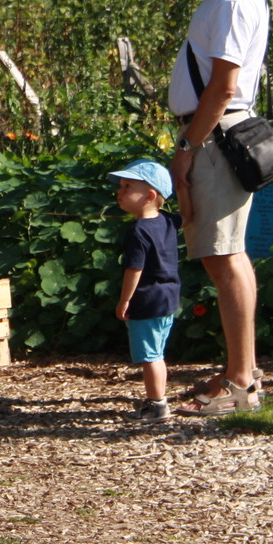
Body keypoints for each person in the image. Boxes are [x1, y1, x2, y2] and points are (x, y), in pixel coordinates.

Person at [168, 0, 269, 415]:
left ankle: (238, 385)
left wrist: (188, 145)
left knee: (222, 255)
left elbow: (224, 84)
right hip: (218, 131)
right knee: (230, 254)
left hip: (214, 133)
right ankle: (242, 375)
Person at [110, 158, 181, 423]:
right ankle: (158, 399)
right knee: (158, 353)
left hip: (146, 300)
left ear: (150, 195)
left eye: (128, 186)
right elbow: (191, 216)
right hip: (169, 298)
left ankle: (157, 405)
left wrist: (124, 300)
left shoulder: (138, 230)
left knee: (150, 356)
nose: (120, 191)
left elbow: (134, 270)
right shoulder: (169, 222)